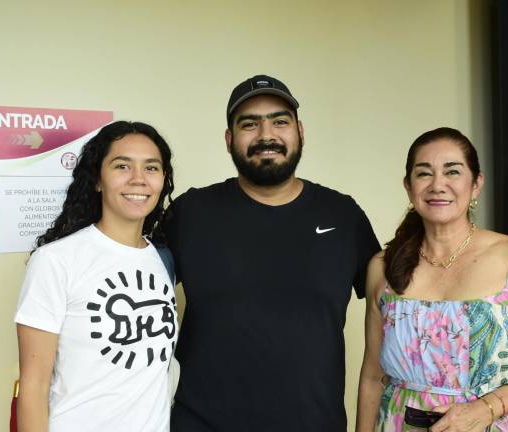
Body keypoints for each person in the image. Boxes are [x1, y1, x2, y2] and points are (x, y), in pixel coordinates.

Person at [163, 74, 381, 431]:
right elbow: (129, 282)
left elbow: (398, 305)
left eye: (280, 121)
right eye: (250, 124)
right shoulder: (190, 213)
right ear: (229, 139)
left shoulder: (343, 215)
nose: (267, 135)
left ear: (300, 132)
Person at [356, 127, 508, 431]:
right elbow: (372, 376)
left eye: (453, 172)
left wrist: (486, 408)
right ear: (408, 187)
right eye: (424, 174)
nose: (438, 185)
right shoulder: (382, 267)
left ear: (476, 184)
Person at [14, 121, 178, 432]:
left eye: (151, 168)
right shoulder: (55, 261)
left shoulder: (163, 260)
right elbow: (33, 387)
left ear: (163, 179)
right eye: (122, 166)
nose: (138, 179)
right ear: (97, 180)